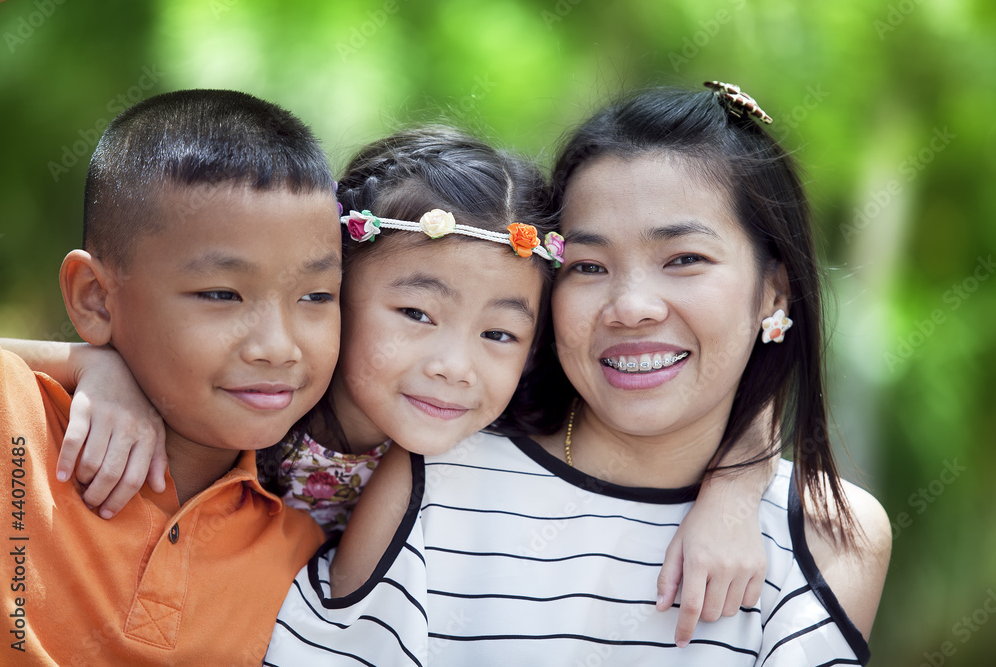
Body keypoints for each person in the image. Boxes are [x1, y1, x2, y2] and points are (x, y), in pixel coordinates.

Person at [8, 125, 779, 652]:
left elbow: (728, 388)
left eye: (500, 333)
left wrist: (735, 493)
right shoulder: (264, 380)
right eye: (415, 312)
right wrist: (97, 364)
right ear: (334, 289)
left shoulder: (502, 427)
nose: (454, 364)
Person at [267, 83, 891, 665]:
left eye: (684, 258)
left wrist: (737, 482)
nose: (631, 306)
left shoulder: (829, 537)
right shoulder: (438, 473)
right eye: (589, 266)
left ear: (774, 292)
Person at [0, 89, 338, 664]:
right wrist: (81, 361)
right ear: (95, 299)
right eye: (222, 294)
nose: (278, 347)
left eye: (317, 295)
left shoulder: (301, 549)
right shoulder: (13, 419)